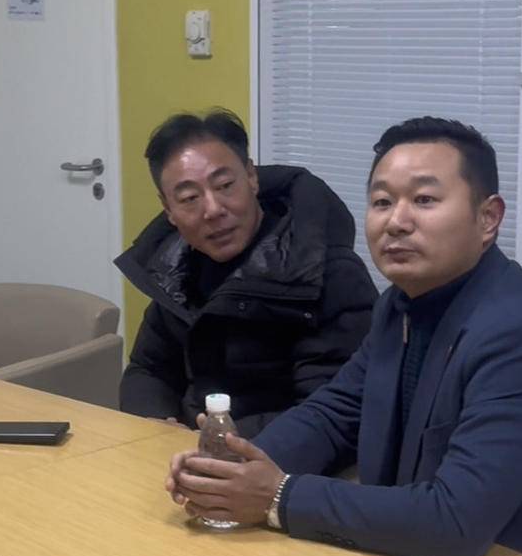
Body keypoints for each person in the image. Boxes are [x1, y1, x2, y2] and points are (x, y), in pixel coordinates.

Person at [167, 116, 522, 556]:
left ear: (488, 218)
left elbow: (456, 520)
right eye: (382, 201)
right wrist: (229, 467)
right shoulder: (401, 305)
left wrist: (278, 497)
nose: (397, 221)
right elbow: (333, 415)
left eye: (425, 200)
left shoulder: (521, 335)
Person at [115, 109, 377, 439]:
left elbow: (331, 410)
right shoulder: (175, 269)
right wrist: (156, 422)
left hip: (281, 455)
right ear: (168, 209)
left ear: (252, 177)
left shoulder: (326, 273)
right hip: (188, 448)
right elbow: (148, 369)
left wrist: (216, 439)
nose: (213, 210)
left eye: (225, 185)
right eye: (189, 198)